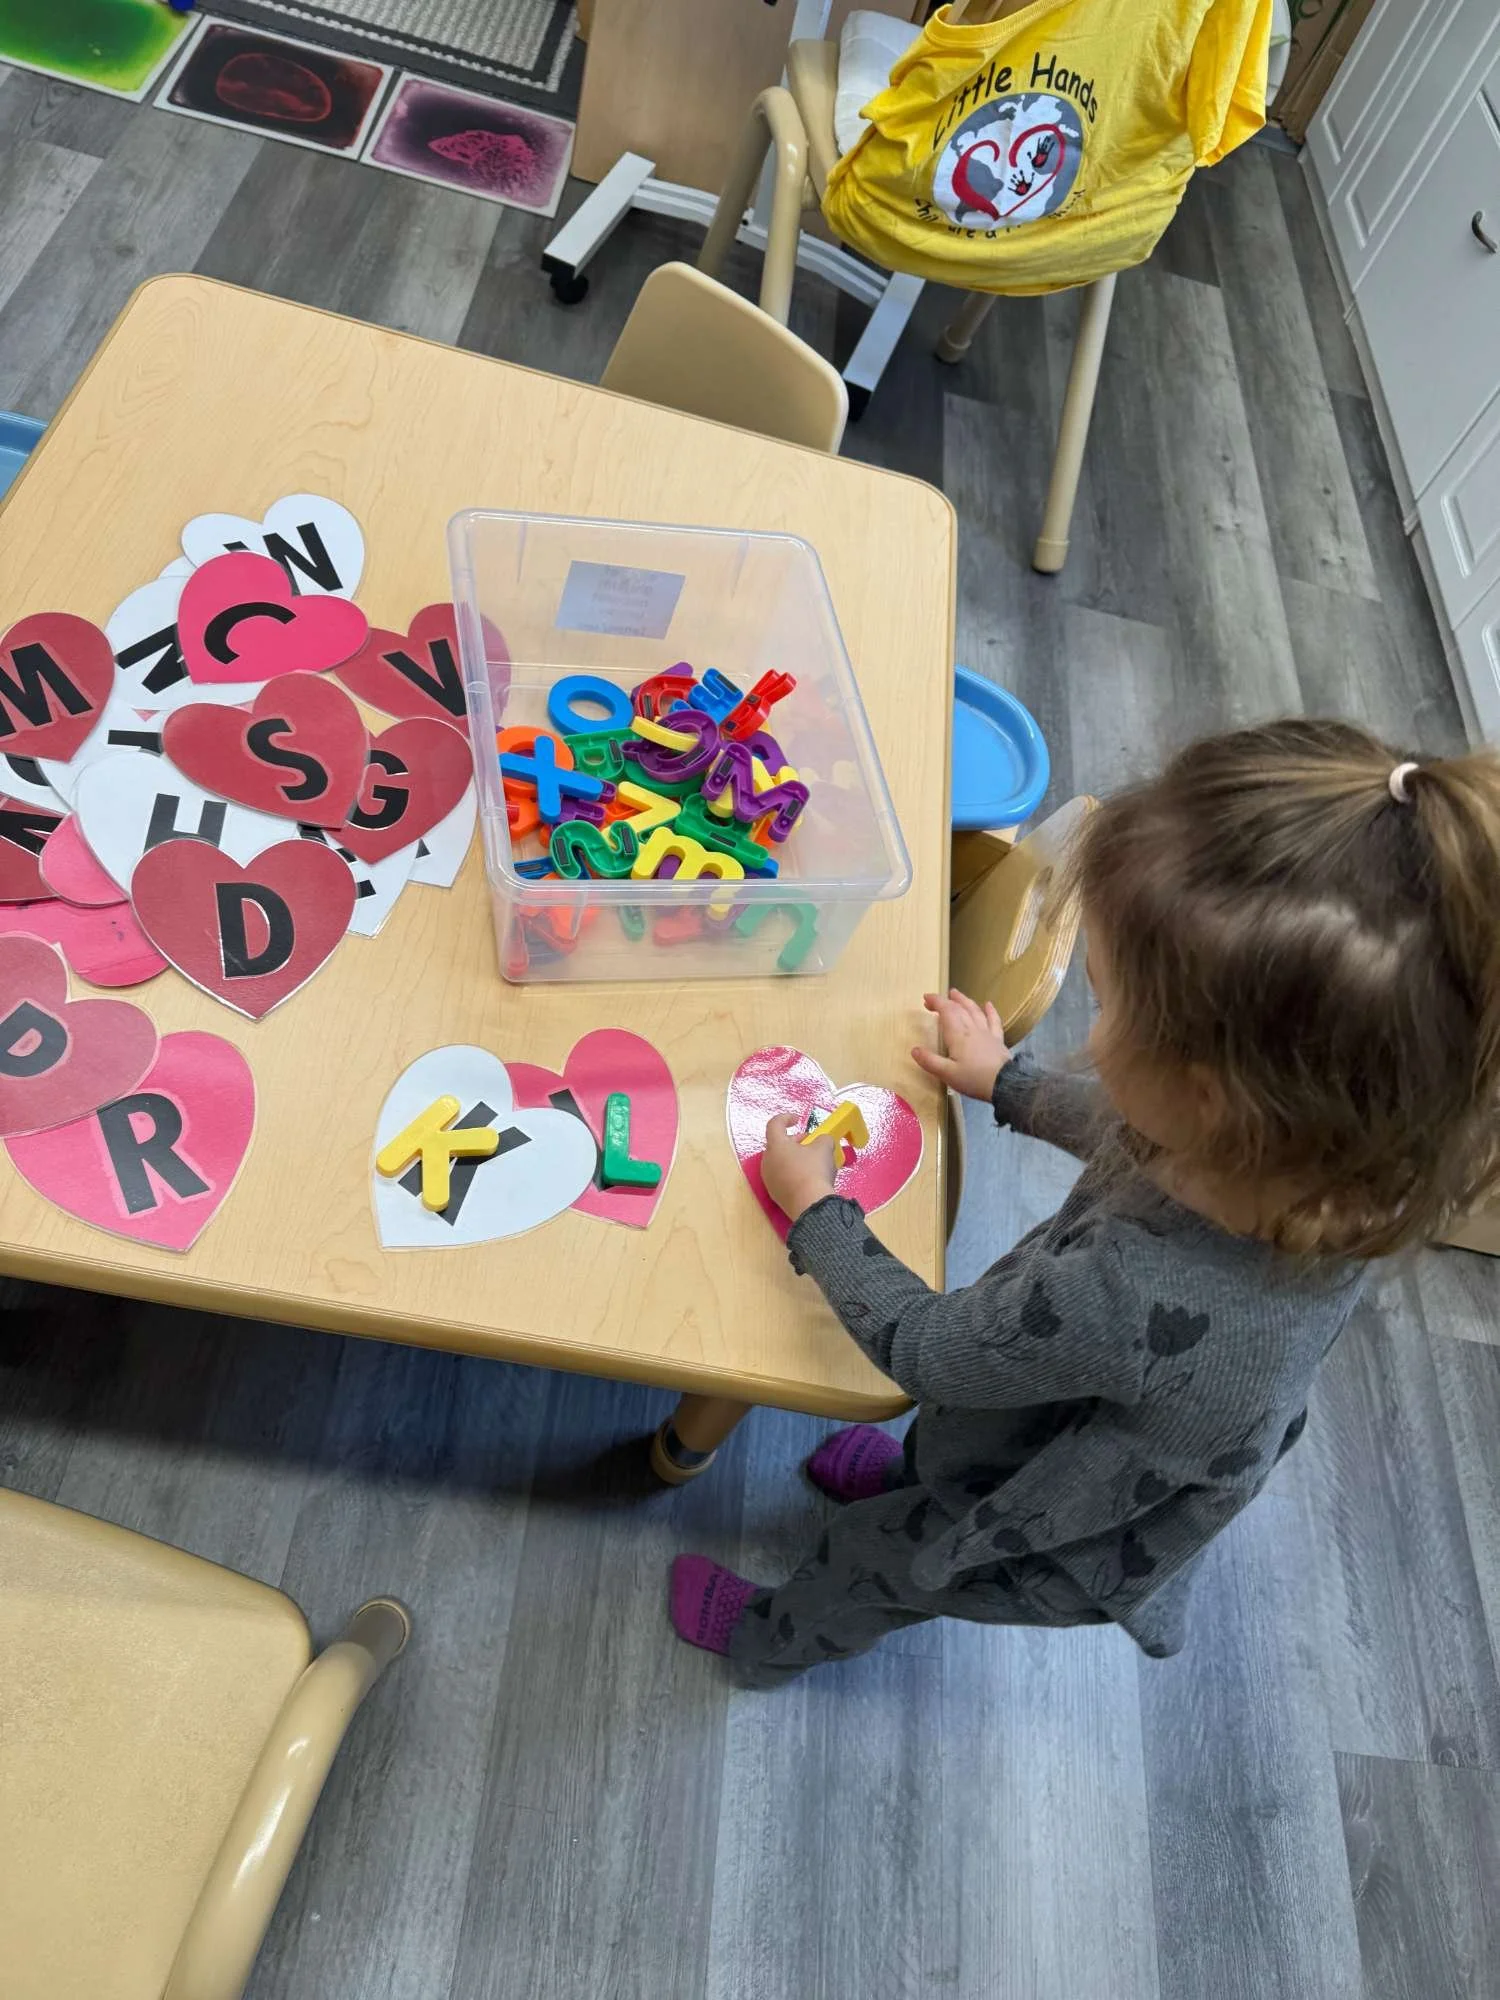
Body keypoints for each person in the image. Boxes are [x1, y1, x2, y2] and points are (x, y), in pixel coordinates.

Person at [669, 720, 1500, 1684]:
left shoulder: (1117, 1294)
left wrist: (816, 1211)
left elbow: (925, 1353)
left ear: (1211, 1100)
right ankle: (915, 1479)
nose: (1092, 1027)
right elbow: (1125, 1123)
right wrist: (1007, 1083)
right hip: (1049, 1432)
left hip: (1040, 1528)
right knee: (925, 1480)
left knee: (871, 1568)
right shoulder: (1328, 1165)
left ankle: (768, 1642)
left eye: (1108, 1004)